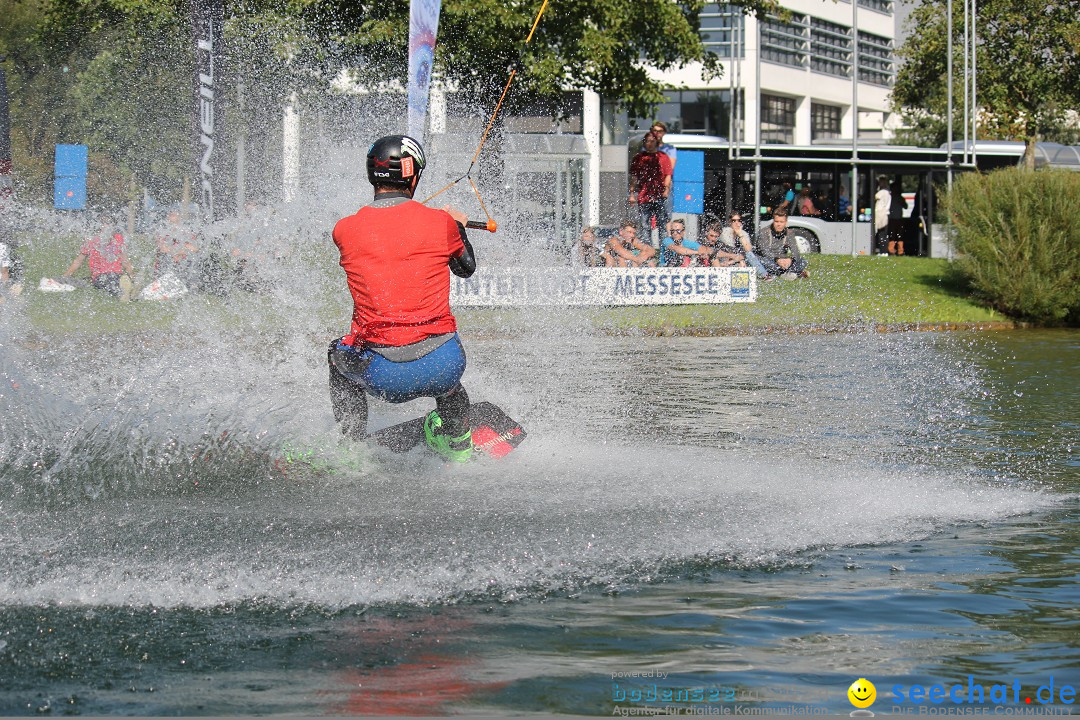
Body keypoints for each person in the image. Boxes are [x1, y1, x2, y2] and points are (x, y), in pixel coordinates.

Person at [327, 134, 477, 462]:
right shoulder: (441, 223)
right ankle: (459, 446)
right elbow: (466, 269)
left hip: (384, 378)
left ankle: (351, 450)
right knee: (448, 378)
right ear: (413, 175)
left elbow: (386, 247)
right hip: (445, 366)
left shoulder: (344, 229)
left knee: (336, 355)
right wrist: (459, 227)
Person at [60, 218, 135, 298]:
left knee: (114, 279)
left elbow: (125, 260)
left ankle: (125, 290)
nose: (106, 228)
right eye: (104, 224)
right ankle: (123, 293)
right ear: (100, 226)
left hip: (116, 274)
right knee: (107, 282)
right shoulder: (92, 240)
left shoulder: (118, 239)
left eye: (110, 225)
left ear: (114, 227)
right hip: (100, 276)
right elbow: (78, 261)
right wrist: (66, 275)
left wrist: (133, 276)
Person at [628, 132, 672, 241]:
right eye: (647, 141)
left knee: (662, 225)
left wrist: (666, 189)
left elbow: (668, 175)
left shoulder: (663, 157)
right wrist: (632, 194)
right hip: (644, 196)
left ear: (657, 142)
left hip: (659, 196)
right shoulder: (639, 158)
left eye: (652, 141)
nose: (649, 143)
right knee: (644, 226)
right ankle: (647, 252)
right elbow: (634, 177)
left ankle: (664, 252)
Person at [753, 209, 809, 279]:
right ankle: (792, 272)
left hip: (784, 261)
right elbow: (764, 251)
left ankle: (785, 273)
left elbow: (795, 251)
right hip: (770, 260)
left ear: (786, 222)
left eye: (781, 222)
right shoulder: (764, 232)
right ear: (773, 221)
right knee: (760, 261)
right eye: (776, 221)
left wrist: (790, 260)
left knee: (803, 261)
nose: (779, 224)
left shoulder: (789, 233)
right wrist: (777, 260)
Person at [723, 213, 769, 278]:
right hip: (726, 260)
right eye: (734, 221)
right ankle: (763, 275)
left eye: (739, 220)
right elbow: (730, 252)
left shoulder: (743, 233)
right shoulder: (725, 232)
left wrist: (740, 235)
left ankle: (764, 275)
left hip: (739, 260)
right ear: (729, 222)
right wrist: (738, 260)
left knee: (749, 255)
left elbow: (748, 250)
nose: (737, 223)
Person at [888, 178, 908, 256]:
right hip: (892, 219)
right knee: (892, 235)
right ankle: (891, 250)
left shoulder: (900, 198)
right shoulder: (889, 197)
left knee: (899, 235)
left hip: (899, 219)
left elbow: (906, 206)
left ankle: (900, 251)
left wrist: (901, 202)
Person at [874, 176, 891, 255]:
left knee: (881, 234)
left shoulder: (883, 192)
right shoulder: (888, 192)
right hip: (885, 214)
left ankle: (883, 251)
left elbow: (874, 197)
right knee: (883, 234)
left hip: (881, 214)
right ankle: (884, 251)